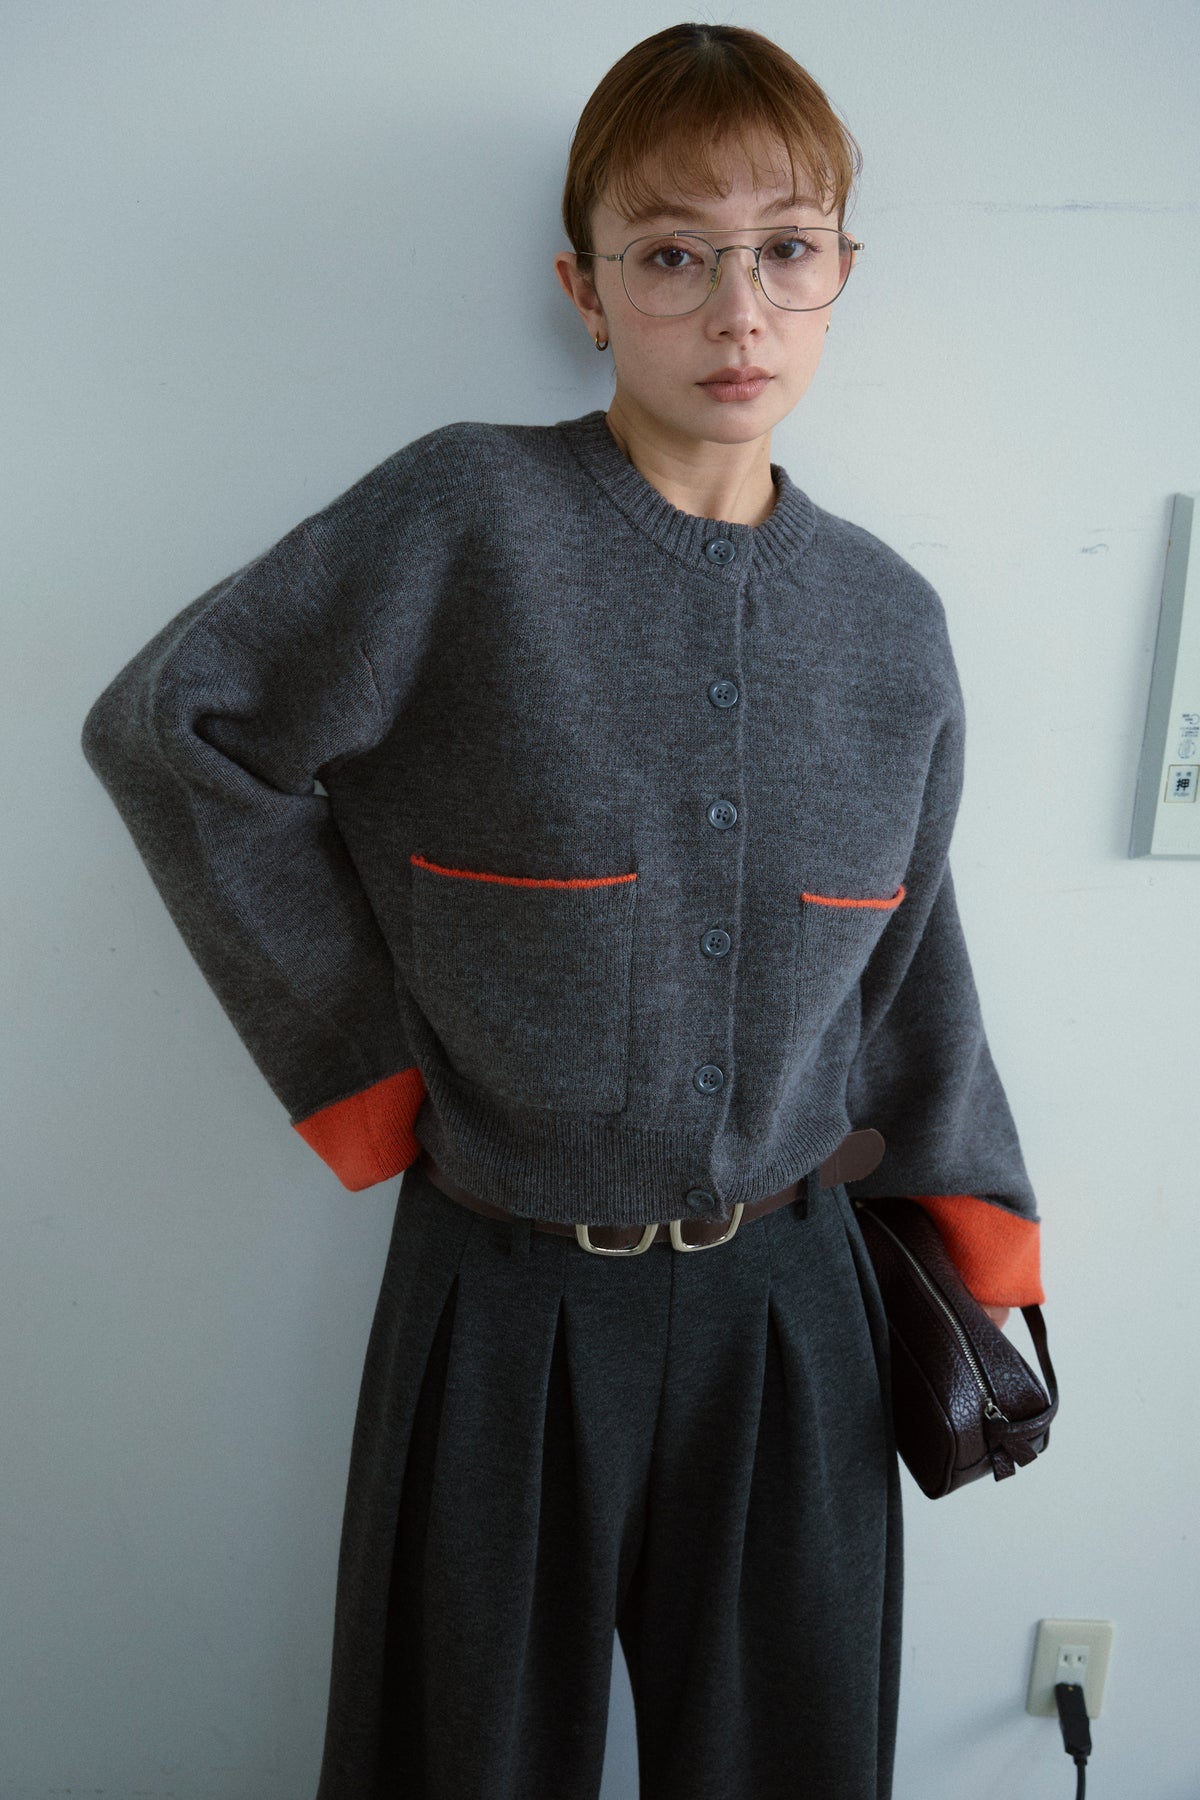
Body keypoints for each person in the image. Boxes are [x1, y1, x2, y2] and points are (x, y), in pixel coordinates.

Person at [81, 22, 1044, 1800]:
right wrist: (362, 1067)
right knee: (457, 1759)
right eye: (673, 255)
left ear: (840, 274)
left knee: (791, 1765)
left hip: (796, 1316)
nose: (737, 309)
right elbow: (175, 730)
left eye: (785, 249)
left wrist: (978, 1216)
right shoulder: (466, 520)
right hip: (501, 1293)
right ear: (585, 291)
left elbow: (911, 957)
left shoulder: (890, 623)